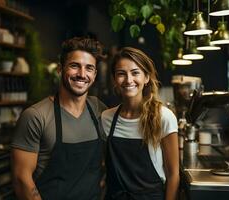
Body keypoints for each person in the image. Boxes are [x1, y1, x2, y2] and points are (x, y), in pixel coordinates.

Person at [11, 37, 107, 200]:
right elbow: (22, 180)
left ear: (95, 74)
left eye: (89, 68)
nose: (82, 74)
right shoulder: (36, 116)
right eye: (74, 66)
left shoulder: (99, 109)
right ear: (60, 69)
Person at [101, 47, 179, 200]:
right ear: (114, 80)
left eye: (135, 72)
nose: (129, 80)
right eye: (121, 74)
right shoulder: (106, 118)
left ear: (147, 77)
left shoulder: (163, 117)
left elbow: (173, 174)